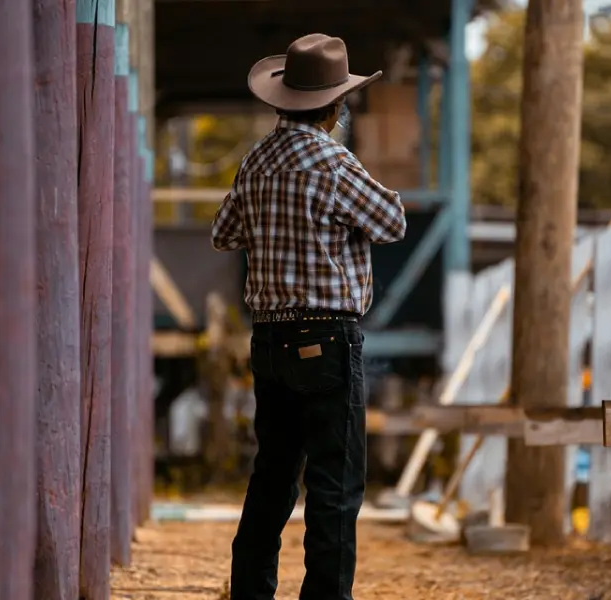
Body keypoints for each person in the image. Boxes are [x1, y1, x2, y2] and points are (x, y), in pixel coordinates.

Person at [210, 33, 407, 600]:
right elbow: (392, 223)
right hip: (326, 338)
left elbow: (224, 235)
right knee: (334, 484)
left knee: (272, 476)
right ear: (335, 106)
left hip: (269, 339)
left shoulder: (256, 160)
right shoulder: (334, 162)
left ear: (284, 99)